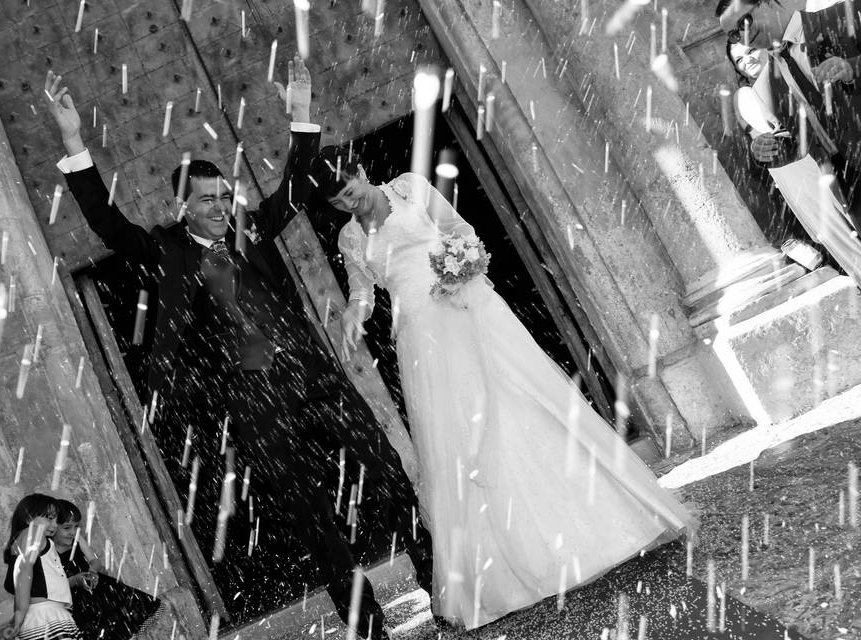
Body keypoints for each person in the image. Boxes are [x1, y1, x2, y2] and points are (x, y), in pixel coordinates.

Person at [41, 57, 434, 639]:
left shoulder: (250, 227)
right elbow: (105, 221)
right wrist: (74, 141)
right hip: (254, 401)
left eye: (224, 197)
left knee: (389, 475)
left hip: (313, 374)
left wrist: (300, 113)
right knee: (314, 519)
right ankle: (368, 629)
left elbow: (297, 182)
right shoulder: (165, 252)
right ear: (183, 208)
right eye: (207, 202)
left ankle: (438, 579)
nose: (221, 208)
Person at [311, 151, 698, 629]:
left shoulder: (409, 187)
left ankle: (598, 528)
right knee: (453, 439)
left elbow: (463, 233)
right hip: (418, 337)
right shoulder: (350, 237)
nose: (350, 200)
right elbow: (364, 292)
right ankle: (498, 573)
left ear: (362, 171)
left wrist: (459, 274)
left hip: (465, 309)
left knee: (520, 402)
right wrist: (354, 312)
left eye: (351, 188)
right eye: (339, 200)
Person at [717, 0, 861, 230]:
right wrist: (764, 150)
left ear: (767, 3)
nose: (744, 35)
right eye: (735, 34)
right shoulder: (764, 87)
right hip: (851, 189)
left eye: (745, 21)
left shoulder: (846, 14)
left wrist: (853, 68)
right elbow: (803, 141)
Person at [727, 41, 861, 283]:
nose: (748, 59)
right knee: (837, 230)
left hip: (831, 157)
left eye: (750, 51)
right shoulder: (745, 95)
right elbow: (767, 139)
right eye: (739, 60)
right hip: (796, 170)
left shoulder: (790, 64)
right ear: (738, 70)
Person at [51, 499, 163, 639]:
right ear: (52, 527)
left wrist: (92, 571)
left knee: (125, 608)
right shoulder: (48, 552)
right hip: (73, 597)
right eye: (67, 528)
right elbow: (51, 587)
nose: (73, 532)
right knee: (93, 627)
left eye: (76, 526)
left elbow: (95, 560)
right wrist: (75, 580)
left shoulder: (78, 539)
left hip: (95, 585)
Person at [2, 494, 81, 640]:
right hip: (46, 617)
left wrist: (19, 615)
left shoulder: (21, 540)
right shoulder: (33, 533)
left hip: (40, 616)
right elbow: (24, 569)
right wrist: (20, 612)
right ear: (28, 518)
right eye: (50, 518)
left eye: (57, 519)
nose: (55, 524)